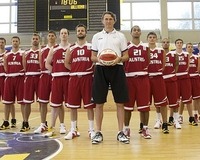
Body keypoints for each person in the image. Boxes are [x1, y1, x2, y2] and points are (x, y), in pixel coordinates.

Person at [91, 11, 129, 144]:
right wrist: (100, 60)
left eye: (110, 19)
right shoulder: (96, 36)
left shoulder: (121, 36)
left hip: (117, 68)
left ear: (114, 21)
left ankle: (121, 132)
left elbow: (126, 56)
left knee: (120, 102)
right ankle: (98, 132)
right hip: (100, 69)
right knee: (99, 103)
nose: (108, 21)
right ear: (102, 21)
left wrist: (119, 58)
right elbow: (92, 57)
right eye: (106, 19)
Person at [64, 24, 95, 140]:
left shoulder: (91, 47)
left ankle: (91, 130)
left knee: (90, 106)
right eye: (79, 31)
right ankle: (73, 130)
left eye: (82, 30)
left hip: (88, 78)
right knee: (72, 106)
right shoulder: (71, 48)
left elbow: (95, 62)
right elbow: (66, 63)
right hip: (74, 79)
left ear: (85, 32)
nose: (80, 32)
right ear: (76, 33)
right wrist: (75, 70)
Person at [123, 25, 151, 139]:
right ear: (131, 33)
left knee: (145, 106)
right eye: (134, 30)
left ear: (140, 33)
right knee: (127, 107)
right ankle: (126, 129)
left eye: (138, 30)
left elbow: (148, 61)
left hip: (143, 78)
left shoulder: (145, 48)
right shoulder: (126, 47)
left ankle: (145, 128)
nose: (136, 31)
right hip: (129, 79)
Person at [45, 28, 70, 136]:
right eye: (62, 33)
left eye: (65, 33)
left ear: (68, 35)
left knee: (72, 105)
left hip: (69, 78)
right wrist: (55, 71)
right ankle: (52, 127)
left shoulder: (72, 48)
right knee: (55, 104)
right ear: (59, 36)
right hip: (57, 79)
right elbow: (47, 64)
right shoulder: (54, 49)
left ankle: (70, 126)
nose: (63, 35)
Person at [34, 30, 57, 134]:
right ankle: (43, 124)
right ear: (47, 37)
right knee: (43, 102)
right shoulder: (42, 50)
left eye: (53, 36)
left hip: (55, 76)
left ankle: (60, 125)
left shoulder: (58, 48)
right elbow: (40, 63)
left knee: (57, 102)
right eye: (49, 36)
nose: (51, 37)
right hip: (44, 76)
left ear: (55, 37)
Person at [147, 32, 169, 134]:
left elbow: (164, 65)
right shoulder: (144, 50)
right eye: (150, 37)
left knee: (162, 102)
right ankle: (144, 125)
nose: (152, 39)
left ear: (156, 39)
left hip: (158, 78)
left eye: (153, 37)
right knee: (145, 103)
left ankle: (165, 123)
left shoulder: (161, 50)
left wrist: (158, 71)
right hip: (146, 78)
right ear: (147, 39)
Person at [1, 36, 25, 130]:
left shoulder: (23, 53)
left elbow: (24, 66)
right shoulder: (7, 55)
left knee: (22, 102)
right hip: (9, 79)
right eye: (13, 41)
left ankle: (24, 122)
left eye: (16, 41)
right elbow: (6, 68)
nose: (15, 42)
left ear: (19, 42)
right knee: (7, 102)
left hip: (19, 79)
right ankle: (6, 121)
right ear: (11, 43)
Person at [21, 33, 41, 132]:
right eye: (33, 39)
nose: (35, 40)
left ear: (39, 40)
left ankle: (43, 123)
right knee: (27, 102)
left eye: (36, 39)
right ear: (31, 40)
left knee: (42, 101)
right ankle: (25, 122)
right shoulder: (26, 53)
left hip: (39, 77)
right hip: (29, 77)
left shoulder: (41, 51)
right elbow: (24, 66)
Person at [175, 39, 197, 126]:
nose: (179, 44)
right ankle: (177, 117)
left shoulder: (186, 54)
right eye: (178, 43)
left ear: (182, 45)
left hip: (185, 78)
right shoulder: (172, 54)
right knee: (177, 100)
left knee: (187, 99)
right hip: (176, 78)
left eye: (181, 43)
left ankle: (191, 117)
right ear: (176, 44)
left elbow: (188, 66)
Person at [162, 38, 181, 129]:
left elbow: (177, 64)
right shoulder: (158, 53)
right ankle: (159, 120)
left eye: (167, 42)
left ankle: (176, 120)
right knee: (161, 102)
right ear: (161, 44)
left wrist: (173, 73)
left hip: (171, 79)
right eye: (164, 42)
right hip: (161, 80)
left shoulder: (174, 54)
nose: (165, 44)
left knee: (174, 101)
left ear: (169, 44)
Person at [0, 37, 16, 130]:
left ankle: (13, 119)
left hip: (5, 78)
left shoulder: (8, 54)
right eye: (0, 42)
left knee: (9, 101)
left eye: (2, 42)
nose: (1, 44)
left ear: (5, 44)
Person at [187, 42, 200, 123]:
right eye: (189, 47)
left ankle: (197, 114)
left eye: (191, 47)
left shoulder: (196, 57)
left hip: (195, 77)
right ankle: (194, 114)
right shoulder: (185, 56)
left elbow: (198, 68)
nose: (190, 48)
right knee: (188, 98)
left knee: (197, 97)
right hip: (189, 78)